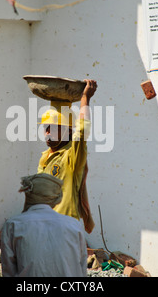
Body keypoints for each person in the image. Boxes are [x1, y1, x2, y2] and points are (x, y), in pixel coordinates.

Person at [37, 79, 97, 234]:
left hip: (64, 228)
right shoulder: (45, 157)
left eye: (54, 128)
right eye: (46, 128)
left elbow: (82, 132)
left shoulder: (72, 156)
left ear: (69, 131)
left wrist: (85, 99)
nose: (48, 133)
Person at [0, 173, 88, 277]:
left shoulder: (12, 225)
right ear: (56, 198)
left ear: (28, 195)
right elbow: (82, 267)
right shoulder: (74, 225)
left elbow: (8, 271)